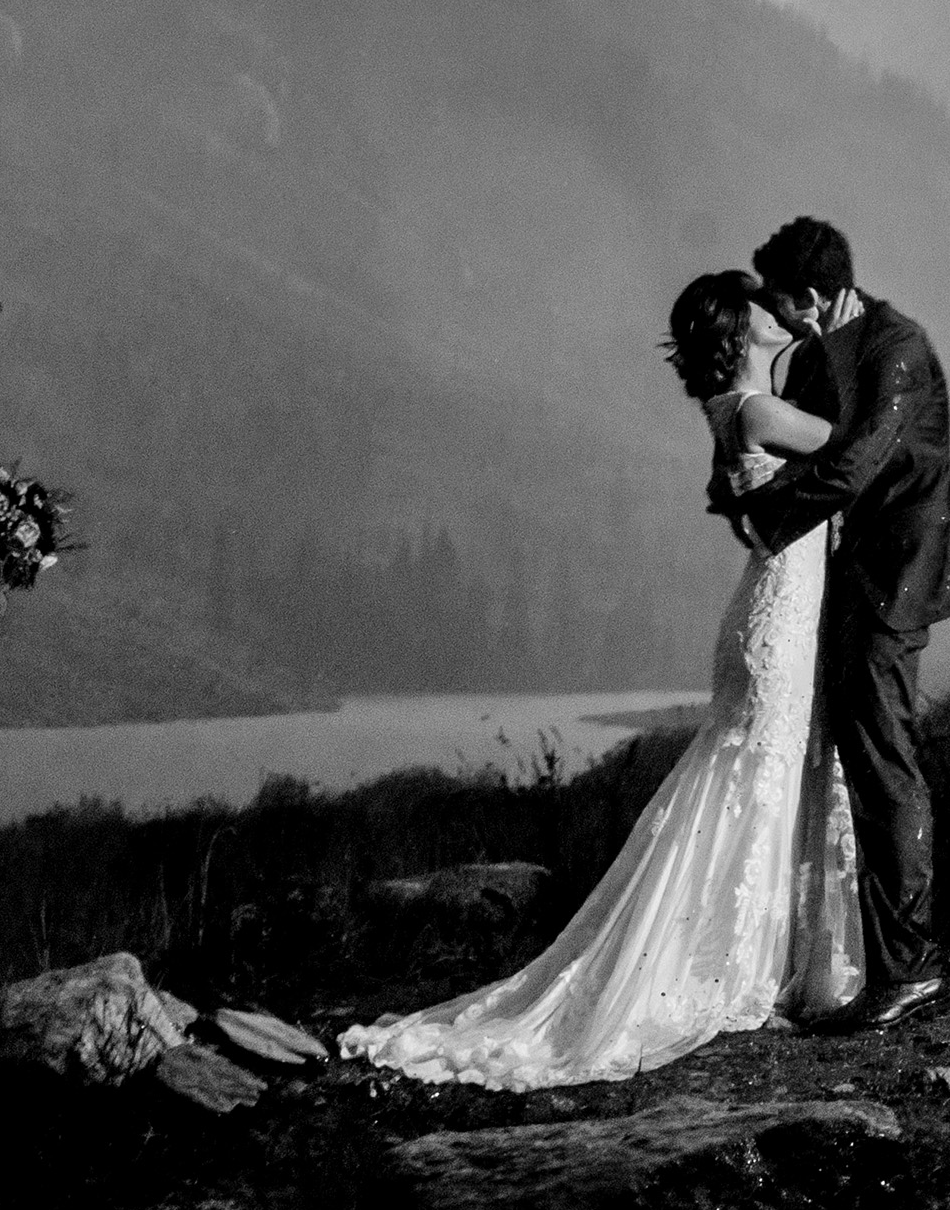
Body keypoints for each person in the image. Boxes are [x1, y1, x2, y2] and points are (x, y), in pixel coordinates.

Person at [341, 273, 861, 1086]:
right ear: (739, 331)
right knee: (759, 773)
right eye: (763, 306)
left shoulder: (734, 409)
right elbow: (847, 437)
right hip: (780, 620)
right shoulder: (757, 410)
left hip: (775, 614)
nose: (778, 312)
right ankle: (737, 962)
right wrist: (842, 337)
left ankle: (741, 954)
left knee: (748, 776)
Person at [725, 217, 950, 1033]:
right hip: (841, 578)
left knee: (882, 759)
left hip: (892, 578)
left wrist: (763, 510)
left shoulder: (899, 345)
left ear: (818, 296)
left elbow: (857, 462)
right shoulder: (816, 351)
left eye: (789, 307)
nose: (783, 323)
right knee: (856, 759)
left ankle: (910, 968)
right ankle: (870, 960)